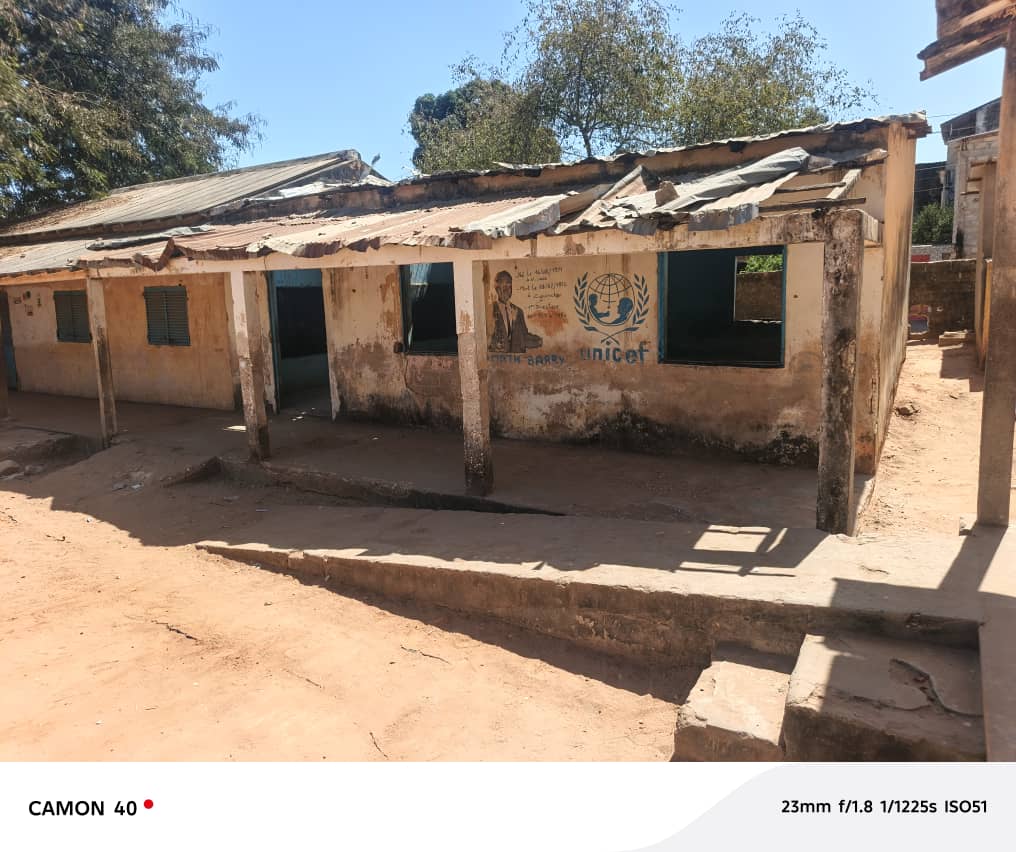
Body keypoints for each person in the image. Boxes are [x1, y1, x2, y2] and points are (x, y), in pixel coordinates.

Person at [489, 270, 542, 353]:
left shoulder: (519, 311)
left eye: (509, 284)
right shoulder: (490, 310)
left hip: (517, 362)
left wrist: (538, 341)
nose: (507, 288)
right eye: (504, 284)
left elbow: (523, 337)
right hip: (498, 361)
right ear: (497, 288)